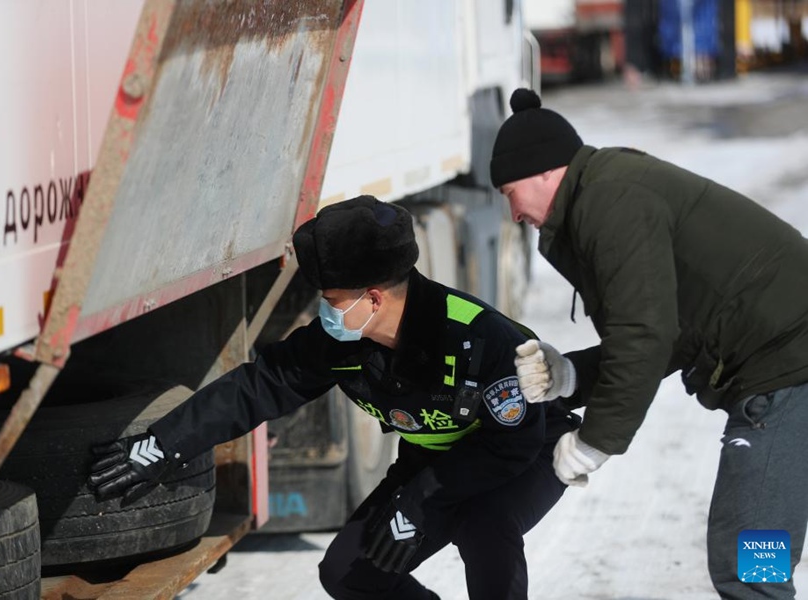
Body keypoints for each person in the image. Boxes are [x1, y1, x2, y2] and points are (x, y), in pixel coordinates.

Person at [86, 195, 578, 599]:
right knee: (348, 573)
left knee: (484, 523)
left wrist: (418, 505)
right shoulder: (342, 343)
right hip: (434, 461)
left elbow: (509, 445)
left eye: (333, 302)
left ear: (374, 298)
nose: (326, 314)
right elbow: (255, 388)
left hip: (524, 451)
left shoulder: (480, 340)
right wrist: (161, 447)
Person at [489, 88, 808, 599]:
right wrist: (570, 375)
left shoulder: (611, 202)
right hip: (787, 368)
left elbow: (645, 334)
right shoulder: (605, 190)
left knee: (751, 565)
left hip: (789, 370)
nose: (513, 215)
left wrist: (596, 441)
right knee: (753, 564)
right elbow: (670, 330)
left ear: (544, 172)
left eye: (508, 193)